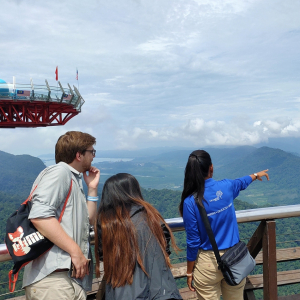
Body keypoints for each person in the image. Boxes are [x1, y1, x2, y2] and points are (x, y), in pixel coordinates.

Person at [178, 150, 269, 300]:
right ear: (211, 168)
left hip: (208, 264)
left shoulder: (190, 202)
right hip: (235, 258)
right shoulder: (226, 187)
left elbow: (193, 241)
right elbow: (241, 182)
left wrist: (189, 273)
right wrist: (256, 175)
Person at [23, 131, 100, 300]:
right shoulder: (59, 173)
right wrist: (76, 252)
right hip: (53, 280)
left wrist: (92, 188)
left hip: (65, 280)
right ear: (79, 155)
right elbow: (39, 216)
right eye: (91, 152)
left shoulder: (73, 178)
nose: (93, 157)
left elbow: (88, 221)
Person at [94, 173, 183, 300]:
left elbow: (103, 256)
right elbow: (165, 249)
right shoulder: (151, 217)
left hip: (122, 291)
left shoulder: (106, 224)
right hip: (161, 291)